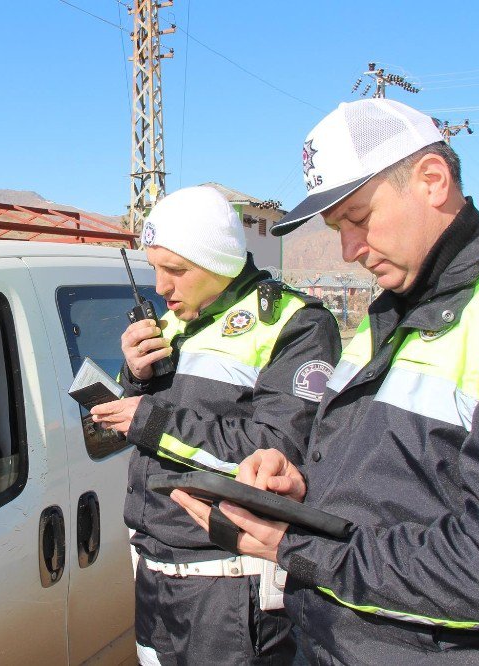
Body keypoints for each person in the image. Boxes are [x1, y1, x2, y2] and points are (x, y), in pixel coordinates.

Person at [171, 98, 479, 664]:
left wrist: (301, 548)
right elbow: (395, 482)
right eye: (336, 227)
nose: (349, 251)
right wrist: (302, 489)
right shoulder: (391, 309)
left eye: (359, 219)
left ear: (433, 180)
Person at [90, 185, 341, 666]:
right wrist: (135, 378)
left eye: (176, 270)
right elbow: (141, 428)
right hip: (153, 570)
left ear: (221, 261)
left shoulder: (296, 325)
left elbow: (275, 449)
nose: (161, 287)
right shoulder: (172, 322)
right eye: (155, 269)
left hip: (229, 587)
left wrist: (149, 419)